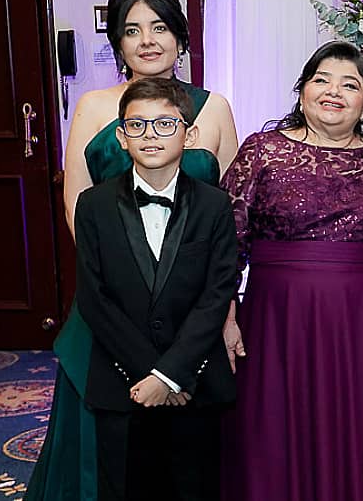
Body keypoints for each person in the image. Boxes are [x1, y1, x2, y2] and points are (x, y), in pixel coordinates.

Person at [29, 0, 238, 501]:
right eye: (131, 30)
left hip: (194, 309)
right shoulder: (96, 108)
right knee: (111, 456)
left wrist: (227, 314)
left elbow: (230, 218)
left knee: (193, 462)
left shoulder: (213, 109)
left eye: (160, 27)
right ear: (118, 44)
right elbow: (78, 206)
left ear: (181, 37)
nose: (147, 40)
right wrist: (126, 289)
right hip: (112, 307)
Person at [219, 42, 363, 501]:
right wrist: (226, 317)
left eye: (349, 84)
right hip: (278, 318)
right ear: (303, 91)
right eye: (322, 80)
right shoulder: (263, 151)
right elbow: (225, 241)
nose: (334, 92)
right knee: (276, 427)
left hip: (361, 320)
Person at [69, 77, 237, 500]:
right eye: (138, 125)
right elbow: (94, 297)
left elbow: (216, 295)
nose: (150, 135)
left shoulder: (215, 205)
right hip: (123, 383)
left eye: (165, 124)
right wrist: (153, 374)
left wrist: (173, 374)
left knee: (195, 485)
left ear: (189, 133)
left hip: (194, 383)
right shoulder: (93, 206)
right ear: (121, 138)